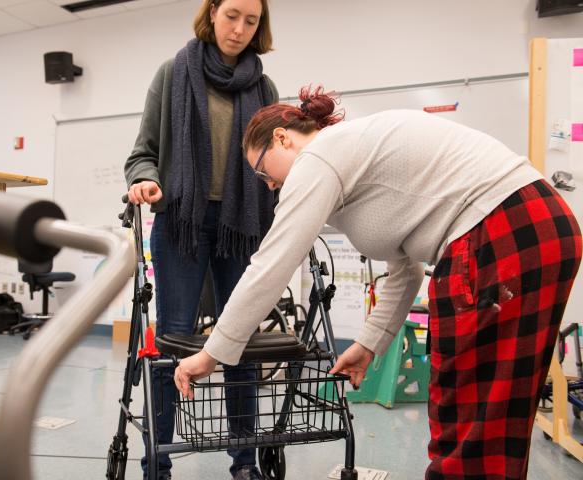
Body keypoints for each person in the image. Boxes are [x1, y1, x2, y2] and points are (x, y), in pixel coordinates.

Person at [174, 87, 582, 479]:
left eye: (263, 171)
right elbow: (404, 268)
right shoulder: (356, 158)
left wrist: (212, 354)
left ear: (282, 139)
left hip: (498, 232)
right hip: (540, 226)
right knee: (497, 412)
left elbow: (271, 264)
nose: (268, 185)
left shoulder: (321, 155)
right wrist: (369, 343)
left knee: (467, 412)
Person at [124, 0, 278, 478]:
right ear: (212, 12)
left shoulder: (264, 87)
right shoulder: (174, 73)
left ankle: (244, 461)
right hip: (182, 224)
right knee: (172, 340)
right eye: (232, 15)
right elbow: (142, 153)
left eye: (250, 21)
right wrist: (145, 179)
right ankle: (158, 461)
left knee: (240, 342)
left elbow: (276, 158)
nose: (239, 28)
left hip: (243, 226)